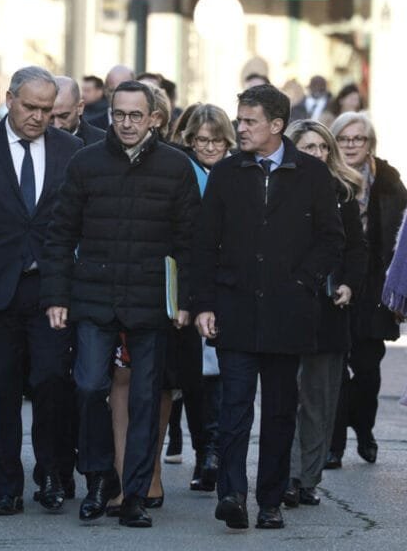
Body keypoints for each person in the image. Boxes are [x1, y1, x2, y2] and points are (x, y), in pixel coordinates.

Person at [42, 80, 199, 528]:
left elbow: (191, 243)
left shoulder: (175, 167)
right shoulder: (85, 162)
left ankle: (133, 494)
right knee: (89, 386)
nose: (126, 123)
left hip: (152, 303)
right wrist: (56, 295)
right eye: (119, 114)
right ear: (109, 114)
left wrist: (185, 300)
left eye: (135, 115)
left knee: (147, 399)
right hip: (93, 298)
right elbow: (60, 234)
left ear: (154, 119)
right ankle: (98, 480)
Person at [192, 84, 344, 530]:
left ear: (276, 126)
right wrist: (203, 303)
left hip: (288, 314)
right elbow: (203, 243)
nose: (239, 128)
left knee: (279, 413)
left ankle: (271, 500)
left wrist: (303, 281)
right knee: (234, 410)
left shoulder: (312, 175)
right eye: (239, 120)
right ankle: (233, 496)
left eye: (248, 121)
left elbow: (332, 239)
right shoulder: (227, 172)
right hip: (234, 308)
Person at [0, 67, 82, 515]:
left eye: (47, 110)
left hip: (50, 291)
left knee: (51, 382)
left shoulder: (71, 150)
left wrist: (66, 290)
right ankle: (7, 487)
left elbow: (76, 225)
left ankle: (51, 475)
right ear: (8, 99)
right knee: (0, 391)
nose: (38, 117)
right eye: (30, 107)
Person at [282, 119, 366, 507]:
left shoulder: (343, 192)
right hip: (287, 305)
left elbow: (355, 249)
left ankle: (305, 478)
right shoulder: (276, 190)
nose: (317, 154)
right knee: (285, 398)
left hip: (330, 306)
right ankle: (282, 474)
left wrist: (349, 283)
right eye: (308, 147)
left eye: (322, 148)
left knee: (319, 399)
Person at [328, 112, 407, 468]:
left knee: (368, 368)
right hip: (336, 280)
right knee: (335, 368)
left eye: (357, 139)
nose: (350, 146)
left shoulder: (389, 180)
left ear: (369, 143)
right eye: (343, 139)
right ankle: (334, 443)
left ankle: (365, 429)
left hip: (374, 286)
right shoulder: (326, 177)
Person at [177, 103, 236, 493]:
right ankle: (204, 451)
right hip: (190, 282)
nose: (210, 147)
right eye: (202, 140)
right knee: (195, 376)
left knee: (224, 375)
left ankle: (217, 451)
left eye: (217, 140)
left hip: (230, 284)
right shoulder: (182, 172)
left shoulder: (238, 173)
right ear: (190, 140)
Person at [51, 75, 106, 145]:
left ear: (80, 107)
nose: (56, 125)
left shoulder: (103, 142)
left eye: (64, 116)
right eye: (51, 117)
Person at [86, 65, 135, 130]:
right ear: (105, 91)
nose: (120, 97)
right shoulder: (90, 127)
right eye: (113, 91)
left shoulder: (143, 125)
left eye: (125, 90)